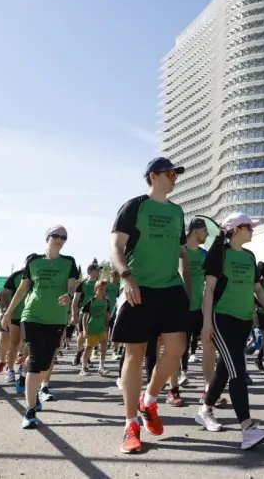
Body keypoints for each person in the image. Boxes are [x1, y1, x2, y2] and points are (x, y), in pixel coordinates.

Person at [110, 157, 194, 454]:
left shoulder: (177, 211)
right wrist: (126, 277)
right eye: (171, 173)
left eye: (176, 174)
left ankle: (149, 401)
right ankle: (131, 424)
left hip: (170, 288)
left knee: (177, 348)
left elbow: (183, 253)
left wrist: (186, 287)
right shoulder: (135, 206)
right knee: (135, 354)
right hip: (139, 286)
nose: (175, 178)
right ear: (153, 176)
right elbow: (116, 248)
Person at [196, 213, 264, 449]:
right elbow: (209, 290)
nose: (252, 230)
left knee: (225, 368)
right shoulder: (220, 254)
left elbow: (258, 290)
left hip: (244, 321)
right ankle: (247, 429)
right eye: (248, 227)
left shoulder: (250, 256)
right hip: (222, 318)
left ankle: (205, 410)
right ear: (234, 230)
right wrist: (206, 323)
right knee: (237, 370)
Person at [1, 226, 79, 429]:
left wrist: (69, 295)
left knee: (46, 363)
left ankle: (27, 380)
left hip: (56, 317)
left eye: (64, 237)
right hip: (32, 315)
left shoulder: (69, 262)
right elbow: (23, 287)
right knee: (36, 360)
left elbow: (72, 285)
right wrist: (9, 312)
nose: (60, 239)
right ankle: (30, 410)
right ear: (47, 237)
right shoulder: (34, 261)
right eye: (56, 235)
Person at [168, 218, 211, 407]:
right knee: (176, 350)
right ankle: (173, 390)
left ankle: (209, 391)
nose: (207, 234)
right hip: (179, 307)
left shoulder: (204, 254)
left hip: (200, 308)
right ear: (195, 231)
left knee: (209, 347)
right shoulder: (177, 251)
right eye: (205, 231)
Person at [0, 254, 39, 387]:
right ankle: (10, 370)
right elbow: (4, 294)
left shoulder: (40, 275)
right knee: (14, 342)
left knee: (29, 343)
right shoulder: (17, 275)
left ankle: (23, 366)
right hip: (16, 315)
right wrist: (6, 311)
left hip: (33, 315)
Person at [71, 264, 102, 365]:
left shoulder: (101, 284)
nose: (98, 272)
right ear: (90, 271)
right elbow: (75, 301)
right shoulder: (82, 284)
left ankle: (86, 356)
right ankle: (79, 352)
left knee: (93, 337)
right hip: (84, 313)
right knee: (81, 335)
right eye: (96, 270)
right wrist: (73, 314)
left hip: (97, 313)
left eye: (99, 270)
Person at [80, 279, 112, 376]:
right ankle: (83, 367)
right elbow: (84, 317)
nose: (103, 291)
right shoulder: (90, 302)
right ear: (95, 289)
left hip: (101, 328)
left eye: (105, 289)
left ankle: (101, 368)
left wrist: (107, 328)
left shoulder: (106, 302)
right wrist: (85, 329)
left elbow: (107, 316)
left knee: (103, 347)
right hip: (91, 328)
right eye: (101, 289)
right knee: (89, 348)